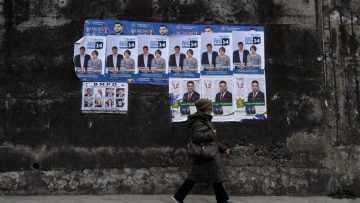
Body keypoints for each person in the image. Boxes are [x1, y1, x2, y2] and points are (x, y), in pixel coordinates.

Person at [172, 99, 232, 203]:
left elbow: (213, 140)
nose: (212, 109)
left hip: (208, 153)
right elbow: (197, 136)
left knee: (215, 177)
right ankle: (178, 197)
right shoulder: (199, 121)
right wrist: (212, 133)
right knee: (196, 177)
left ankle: (222, 200)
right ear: (205, 108)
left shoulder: (205, 119)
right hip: (205, 154)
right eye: (210, 107)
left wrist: (223, 148)